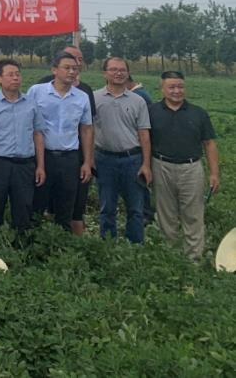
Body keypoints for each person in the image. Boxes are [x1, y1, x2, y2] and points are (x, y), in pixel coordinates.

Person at [148, 71, 220, 260]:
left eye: (180, 86)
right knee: (165, 214)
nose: (176, 91)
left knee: (193, 214)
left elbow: (209, 144)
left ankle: (193, 259)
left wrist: (214, 173)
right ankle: (171, 256)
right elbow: (144, 141)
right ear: (162, 88)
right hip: (161, 166)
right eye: (171, 87)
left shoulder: (198, 113)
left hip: (191, 168)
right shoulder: (151, 111)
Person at [0, 58, 46, 234]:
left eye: (18, 74)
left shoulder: (31, 103)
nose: (15, 78)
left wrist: (40, 166)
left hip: (25, 165)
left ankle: (21, 244)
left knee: (24, 209)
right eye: (10, 75)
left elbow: (38, 134)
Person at [29, 51, 94, 233]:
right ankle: (33, 241)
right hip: (43, 156)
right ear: (54, 70)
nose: (72, 72)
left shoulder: (81, 97)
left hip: (69, 158)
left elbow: (86, 129)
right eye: (67, 68)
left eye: (75, 68)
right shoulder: (37, 91)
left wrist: (87, 162)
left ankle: (62, 242)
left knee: (66, 205)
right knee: (37, 203)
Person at [93, 57, 151, 244]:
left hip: (132, 159)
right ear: (105, 73)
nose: (118, 73)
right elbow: (87, 130)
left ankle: (135, 245)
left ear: (128, 73)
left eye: (122, 70)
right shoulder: (94, 98)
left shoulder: (138, 100)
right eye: (113, 69)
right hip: (104, 159)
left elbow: (144, 134)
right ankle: (108, 244)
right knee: (107, 206)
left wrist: (146, 164)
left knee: (135, 208)